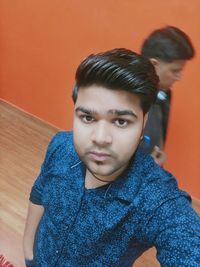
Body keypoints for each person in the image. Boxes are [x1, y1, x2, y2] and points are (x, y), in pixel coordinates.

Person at [23, 48, 200, 267]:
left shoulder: (154, 198)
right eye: (87, 117)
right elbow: (39, 192)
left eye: (120, 121)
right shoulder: (60, 145)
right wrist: (28, 249)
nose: (100, 138)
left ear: (144, 122)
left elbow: (186, 242)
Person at [140, 26, 195, 165]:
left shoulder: (164, 94)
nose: (179, 77)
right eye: (175, 71)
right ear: (154, 64)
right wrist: (147, 168)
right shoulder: (124, 97)